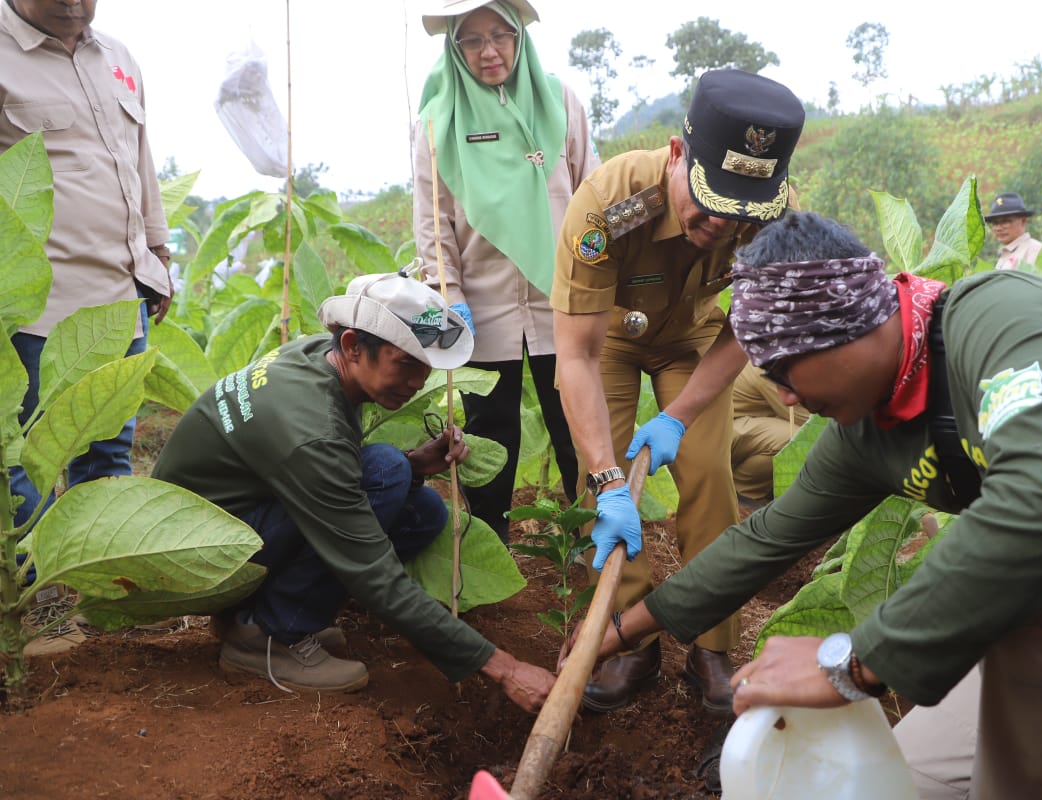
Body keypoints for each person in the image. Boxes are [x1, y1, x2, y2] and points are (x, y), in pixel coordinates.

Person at [566, 210, 1042, 798]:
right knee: (905, 782)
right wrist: (617, 633)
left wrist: (855, 665)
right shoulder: (866, 434)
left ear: (847, 326)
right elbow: (762, 542)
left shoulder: (1001, 320)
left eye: (784, 371)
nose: (784, 397)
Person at [152, 273, 555, 711]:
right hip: (191, 558)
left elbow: (324, 469)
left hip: (221, 525)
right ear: (351, 345)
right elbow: (373, 574)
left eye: (426, 367)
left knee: (421, 507)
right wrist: (504, 667)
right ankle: (270, 636)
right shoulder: (312, 432)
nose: (419, 381)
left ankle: (262, 611)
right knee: (384, 471)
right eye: (405, 363)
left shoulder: (312, 355)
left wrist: (416, 464)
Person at [551, 68, 806, 717]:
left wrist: (680, 416)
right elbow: (575, 358)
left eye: (738, 211)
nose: (721, 224)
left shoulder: (777, 219)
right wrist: (611, 479)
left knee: (710, 475)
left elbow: (748, 322)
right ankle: (627, 641)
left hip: (693, 340)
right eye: (709, 200)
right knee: (596, 479)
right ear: (674, 155)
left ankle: (711, 645)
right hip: (606, 340)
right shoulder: (608, 205)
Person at [2, 0, 174, 654]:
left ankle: (110, 600)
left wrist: (157, 254)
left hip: (118, 292)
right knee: (29, 459)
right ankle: (41, 604)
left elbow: (139, 161)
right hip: (36, 302)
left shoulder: (119, 58)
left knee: (107, 453)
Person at [413, 0, 599, 543]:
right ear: (455, 48)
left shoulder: (560, 100)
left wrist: (600, 280)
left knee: (575, 425)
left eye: (500, 35)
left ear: (520, 37)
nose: (489, 51)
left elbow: (595, 191)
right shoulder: (435, 120)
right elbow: (433, 222)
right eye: (472, 40)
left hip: (562, 297)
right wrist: (447, 301)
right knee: (490, 435)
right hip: (482, 305)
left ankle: (593, 544)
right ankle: (488, 547)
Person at [729, 362, 806, 510]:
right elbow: (809, 420)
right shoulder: (770, 368)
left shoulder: (767, 353)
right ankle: (744, 493)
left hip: (734, 424)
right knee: (792, 439)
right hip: (714, 435)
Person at [984, 191, 1042, 270]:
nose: (998, 228)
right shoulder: (1004, 254)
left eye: (1005, 221)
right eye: (995, 223)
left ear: (1023, 221)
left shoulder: (1034, 250)